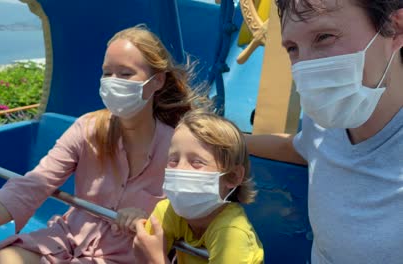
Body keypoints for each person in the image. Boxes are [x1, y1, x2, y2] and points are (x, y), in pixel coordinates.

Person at [0, 25, 204, 263]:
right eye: (107, 73)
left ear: (156, 81)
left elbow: (193, 220)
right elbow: (31, 186)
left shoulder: (181, 146)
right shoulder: (87, 128)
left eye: (125, 74)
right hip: (67, 240)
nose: (113, 83)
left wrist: (153, 219)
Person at [246, 0, 403, 263]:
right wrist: (225, 138)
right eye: (292, 48)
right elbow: (300, 146)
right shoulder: (324, 121)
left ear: (395, 28)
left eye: (324, 37)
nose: (305, 67)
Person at [133, 110, 264, 264]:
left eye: (196, 162)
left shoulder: (232, 233)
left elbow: (150, 257)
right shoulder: (170, 211)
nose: (180, 169)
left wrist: (156, 260)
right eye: (173, 160)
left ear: (233, 176)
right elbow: (142, 252)